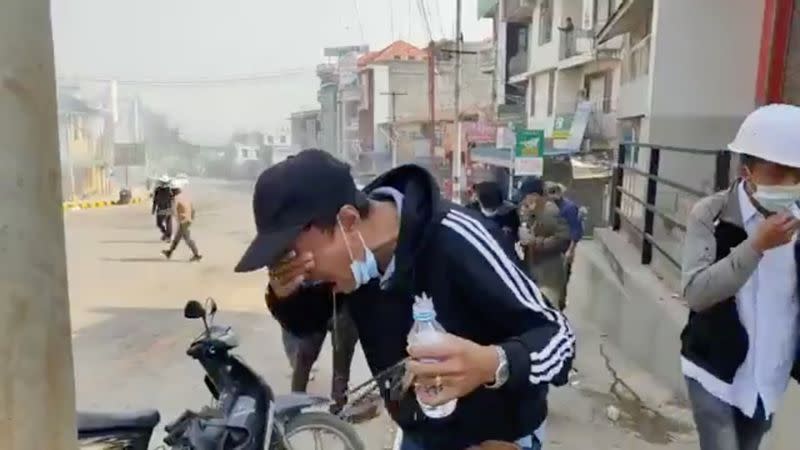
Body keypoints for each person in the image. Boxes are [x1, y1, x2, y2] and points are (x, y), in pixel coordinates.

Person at [235, 149, 575, 450]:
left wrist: (494, 363)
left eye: (299, 258)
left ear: (348, 221)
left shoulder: (457, 238)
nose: (304, 273)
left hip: (496, 438)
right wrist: (284, 294)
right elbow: (307, 323)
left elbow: (559, 337)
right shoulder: (347, 262)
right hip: (420, 433)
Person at [680, 104, 800, 450]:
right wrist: (756, 245)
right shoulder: (711, 214)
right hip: (713, 371)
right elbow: (696, 293)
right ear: (747, 173)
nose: (790, 185)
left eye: (798, 174)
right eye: (778, 173)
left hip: (769, 375)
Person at [517, 177, 571, 311]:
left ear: (534, 196)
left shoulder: (550, 211)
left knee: (549, 311)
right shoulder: (536, 211)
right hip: (536, 271)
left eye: (525, 197)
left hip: (549, 274)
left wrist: (535, 242)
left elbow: (564, 238)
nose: (523, 200)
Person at [546, 182, 583, 303]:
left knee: (562, 278)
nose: (551, 197)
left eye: (554, 193)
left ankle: (560, 303)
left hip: (564, 247)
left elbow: (575, 230)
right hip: (549, 248)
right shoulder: (547, 207)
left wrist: (571, 250)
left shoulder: (569, 208)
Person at [162, 181, 202, 262]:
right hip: (188, 220)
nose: (171, 192)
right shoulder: (185, 196)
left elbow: (172, 210)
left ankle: (196, 255)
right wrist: (190, 218)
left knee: (187, 239)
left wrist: (163, 212)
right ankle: (169, 252)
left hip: (183, 221)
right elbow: (192, 209)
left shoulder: (175, 199)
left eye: (172, 190)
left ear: (174, 191)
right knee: (177, 238)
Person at [152, 175, 174, 242]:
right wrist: (153, 209)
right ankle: (165, 234)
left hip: (167, 209)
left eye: (165, 183)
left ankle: (168, 236)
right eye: (163, 182)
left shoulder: (169, 190)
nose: (164, 184)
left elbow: (173, 199)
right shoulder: (157, 190)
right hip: (161, 209)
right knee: (159, 223)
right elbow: (155, 200)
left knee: (168, 223)